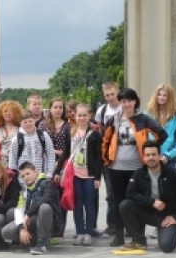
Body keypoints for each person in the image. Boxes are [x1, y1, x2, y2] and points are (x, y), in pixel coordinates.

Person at [101, 87, 167, 247]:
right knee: (117, 202)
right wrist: (106, 159)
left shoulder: (143, 119)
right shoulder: (114, 119)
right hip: (116, 168)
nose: (126, 104)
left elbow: (162, 134)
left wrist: (150, 149)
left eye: (129, 100)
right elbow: (105, 139)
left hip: (137, 167)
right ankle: (118, 235)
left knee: (137, 201)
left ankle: (137, 235)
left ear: (135, 101)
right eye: (123, 101)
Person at [119, 141, 176, 253]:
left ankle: (170, 231)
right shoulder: (139, 173)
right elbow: (130, 193)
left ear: (159, 156)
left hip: (168, 216)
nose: (151, 158)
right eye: (148, 155)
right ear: (144, 157)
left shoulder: (173, 173)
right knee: (125, 205)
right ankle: (138, 241)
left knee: (166, 246)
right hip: (149, 213)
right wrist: (151, 202)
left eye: (153, 155)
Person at [56, 104, 101, 246]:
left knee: (89, 204)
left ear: (89, 116)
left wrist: (98, 177)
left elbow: (98, 158)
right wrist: (57, 171)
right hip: (74, 175)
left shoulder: (94, 134)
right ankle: (80, 231)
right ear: (74, 116)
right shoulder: (71, 132)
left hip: (89, 176)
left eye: (84, 115)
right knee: (77, 204)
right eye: (79, 115)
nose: (81, 118)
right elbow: (65, 153)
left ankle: (88, 232)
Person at [1, 161, 62, 255]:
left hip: (47, 221)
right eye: (23, 176)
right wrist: (21, 228)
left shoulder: (48, 183)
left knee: (45, 207)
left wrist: (28, 214)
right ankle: (31, 240)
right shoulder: (24, 189)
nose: (26, 177)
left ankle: (42, 243)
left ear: (35, 171)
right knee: (6, 232)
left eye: (28, 174)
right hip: (30, 221)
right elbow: (19, 209)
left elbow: (46, 199)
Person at [94, 81, 122, 237]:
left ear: (118, 92)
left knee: (125, 191)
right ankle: (112, 224)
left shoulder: (124, 107)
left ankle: (127, 223)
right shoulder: (102, 111)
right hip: (107, 157)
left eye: (112, 94)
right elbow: (100, 132)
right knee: (111, 193)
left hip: (124, 154)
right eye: (107, 95)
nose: (110, 98)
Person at [145, 83, 176, 168]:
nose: (161, 97)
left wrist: (167, 155)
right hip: (151, 157)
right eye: (159, 94)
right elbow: (145, 136)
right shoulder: (148, 114)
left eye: (165, 95)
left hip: (169, 160)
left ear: (170, 98)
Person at [8, 110, 55, 176]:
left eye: (30, 121)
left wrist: (49, 173)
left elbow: (50, 155)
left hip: (41, 176)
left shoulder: (43, 136)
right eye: (25, 122)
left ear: (34, 121)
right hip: (23, 180)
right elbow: (12, 162)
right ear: (20, 123)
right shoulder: (16, 140)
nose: (28, 124)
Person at [38, 97, 71, 178]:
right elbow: (38, 144)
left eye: (60, 107)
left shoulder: (68, 126)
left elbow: (70, 148)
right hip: (46, 163)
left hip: (62, 163)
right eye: (55, 107)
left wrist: (56, 152)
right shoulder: (43, 125)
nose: (58, 110)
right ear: (50, 109)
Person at [0, 100, 23, 167]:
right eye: (5, 111)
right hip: (0, 166)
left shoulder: (21, 129)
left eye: (11, 111)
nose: (8, 113)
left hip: (17, 165)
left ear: (16, 113)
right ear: (1, 113)